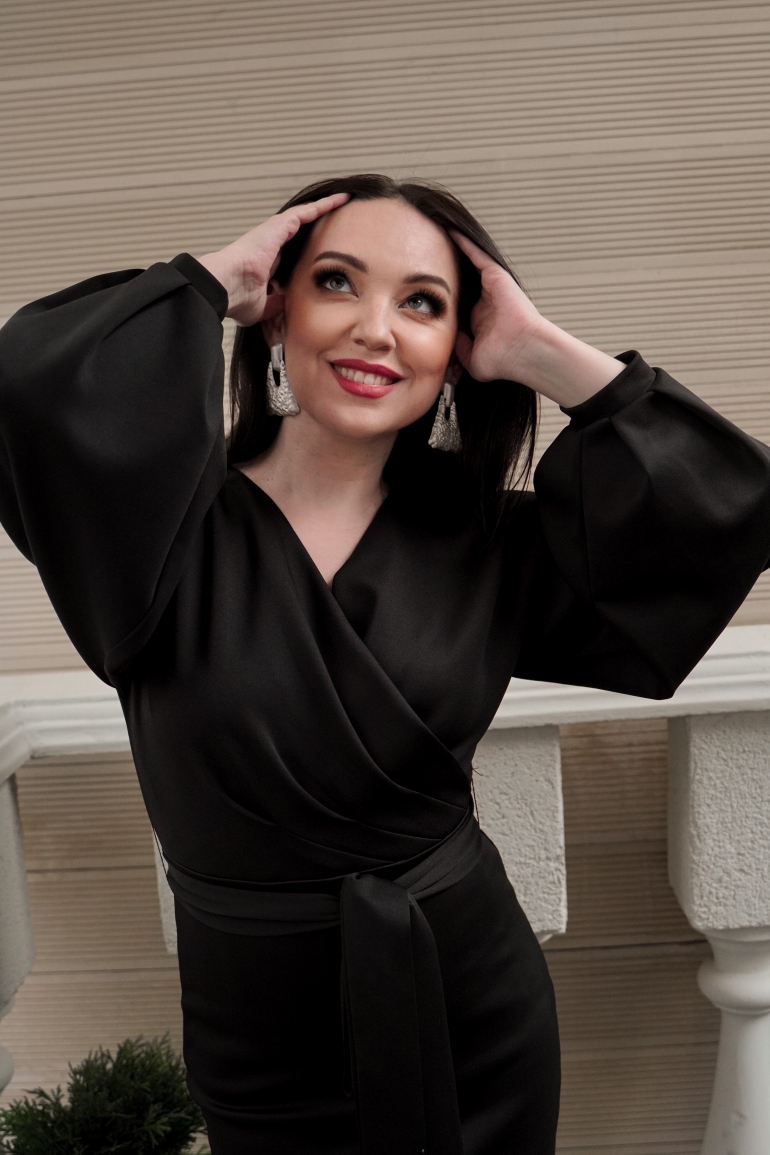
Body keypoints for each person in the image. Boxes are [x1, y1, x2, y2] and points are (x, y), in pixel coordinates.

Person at [1, 174, 769, 1155]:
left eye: (422, 303)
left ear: (456, 349)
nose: (375, 329)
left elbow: (726, 511)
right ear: (278, 309)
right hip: (256, 1029)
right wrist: (210, 280)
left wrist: (535, 349)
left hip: (470, 1003)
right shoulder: (154, 531)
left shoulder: (488, 541)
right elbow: (25, 385)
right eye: (336, 282)